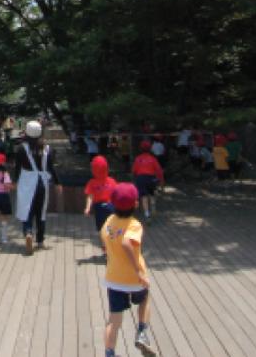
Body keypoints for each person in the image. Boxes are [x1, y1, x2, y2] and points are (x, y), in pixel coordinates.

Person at [101, 183, 156, 357]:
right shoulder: (134, 224)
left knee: (113, 320)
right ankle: (141, 332)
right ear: (136, 204)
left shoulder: (109, 221)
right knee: (145, 298)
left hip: (113, 278)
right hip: (133, 279)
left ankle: (109, 353)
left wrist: (107, 248)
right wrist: (139, 272)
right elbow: (126, 243)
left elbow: (102, 236)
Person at [14, 120, 61, 255]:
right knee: (41, 213)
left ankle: (28, 232)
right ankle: (40, 241)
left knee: (26, 209)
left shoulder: (21, 148)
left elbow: (17, 168)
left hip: (26, 182)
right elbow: (51, 167)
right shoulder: (48, 149)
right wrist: (58, 183)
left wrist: (15, 182)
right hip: (42, 183)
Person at [83, 155, 117, 257]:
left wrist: (88, 208)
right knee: (111, 228)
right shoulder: (111, 181)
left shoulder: (92, 183)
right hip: (111, 207)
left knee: (102, 229)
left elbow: (90, 197)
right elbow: (116, 194)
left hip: (99, 208)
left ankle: (105, 248)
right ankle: (112, 247)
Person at [131, 141, 164, 219]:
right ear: (150, 149)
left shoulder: (138, 158)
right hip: (151, 178)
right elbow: (159, 170)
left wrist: (134, 178)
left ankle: (147, 214)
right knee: (152, 194)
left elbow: (134, 171)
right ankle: (153, 206)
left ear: (141, 149)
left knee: (144, 197)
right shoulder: (153, 159)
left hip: (141, 179)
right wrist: (161, 180)